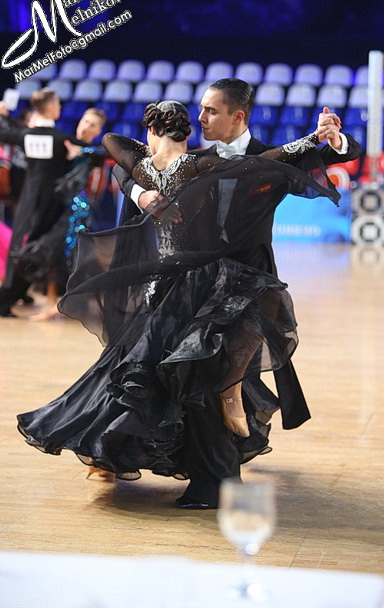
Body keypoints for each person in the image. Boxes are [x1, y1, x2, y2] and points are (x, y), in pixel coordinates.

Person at [17, 100, 341, 508]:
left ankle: (137, 456)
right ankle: (134, 455)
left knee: (153, 373)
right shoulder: (199, 165)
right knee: (168, 375)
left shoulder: (147, 165)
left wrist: (142, 187)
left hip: (176, 284)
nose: (203, 119)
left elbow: (113, 141)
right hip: (187, 284)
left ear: (153, 130)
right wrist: (310, 139)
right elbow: (269, 160)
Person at [113, 80, 362, 508]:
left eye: (210, 111)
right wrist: (140, 192)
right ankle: (211, 476)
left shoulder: (270, 157)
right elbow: (124, 161)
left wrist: (333, 138)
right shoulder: (193, 159)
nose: (200, 118)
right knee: (200, 376)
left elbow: (340, 153)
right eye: (201, 109)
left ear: (238, 116)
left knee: (217, 376)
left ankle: (215, 481)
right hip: (195, 281)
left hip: (248, 284)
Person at [0, 90, 101, 318]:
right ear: (49, 107)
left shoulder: (28, 135)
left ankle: (9, 297)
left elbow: (5, 133)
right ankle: (9, 298)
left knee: (25, 248)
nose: (60, 107)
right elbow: (96, 155)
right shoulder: (61, 139)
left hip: (27, 202)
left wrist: (2, 116)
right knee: (36, 251)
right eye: (57, 104)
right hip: (52, 205)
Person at [27, 107, 107, 321]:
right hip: (59, 208)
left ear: (98, 131)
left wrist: (80, 152)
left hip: (77, 211)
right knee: (54, 252)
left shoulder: (92, 153)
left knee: (67, 254)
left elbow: (97, 173)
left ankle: (62, 303)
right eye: (85, 121)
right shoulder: (66, 145)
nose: (86, 127)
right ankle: (53, 302)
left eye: (92, 124)